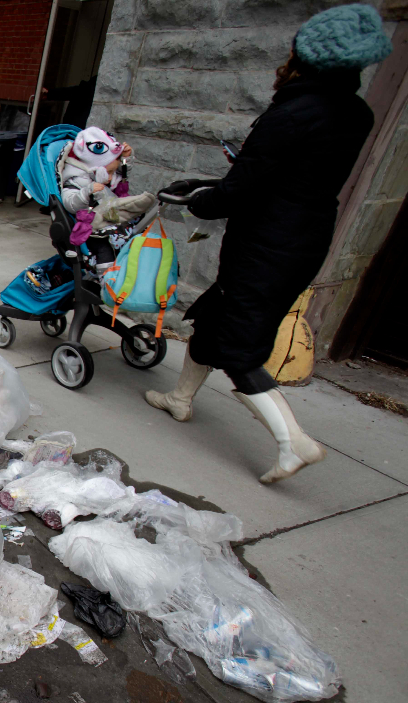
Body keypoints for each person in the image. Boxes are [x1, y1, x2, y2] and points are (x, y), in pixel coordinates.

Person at [146, 4, 391, 483]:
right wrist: (216, 183)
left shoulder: (297, 111)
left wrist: (199, 200)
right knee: (215, 317)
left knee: (240, 349)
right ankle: (179, 399)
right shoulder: (354, 112)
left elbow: (243, 188)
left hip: (267, 246)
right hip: (302, 237)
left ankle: (292, 443)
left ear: (308, 55)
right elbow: (289, 176)